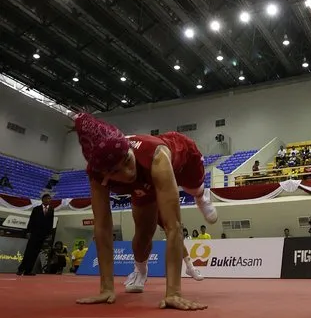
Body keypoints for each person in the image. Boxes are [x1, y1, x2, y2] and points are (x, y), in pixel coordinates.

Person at [72, 113, 216, 310]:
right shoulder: (96, 173)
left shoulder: (156, 156)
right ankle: (140, 271)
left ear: (129, 151)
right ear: (103, 173)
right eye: (115, 171)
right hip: (144, 183)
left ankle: (201, 197)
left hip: (181, 157)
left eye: (127, 160)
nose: (127, 172)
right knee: (142, 236)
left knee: (193, 188)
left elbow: (173, 226)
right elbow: (103, 227)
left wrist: (173, 292)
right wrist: (106, 288)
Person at [17, 193, 54, 275]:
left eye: (50, 199)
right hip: (34, 233)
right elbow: (31, 221)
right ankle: (21, 269)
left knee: (35, 253)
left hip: (43, 235)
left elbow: (50, 222)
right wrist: (29, 232)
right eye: (48, 198)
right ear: (43, 199)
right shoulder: (36, 209)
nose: (49, 200)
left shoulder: (51, 209)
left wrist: (49, 233)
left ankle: (28, 271)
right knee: (29, 252)